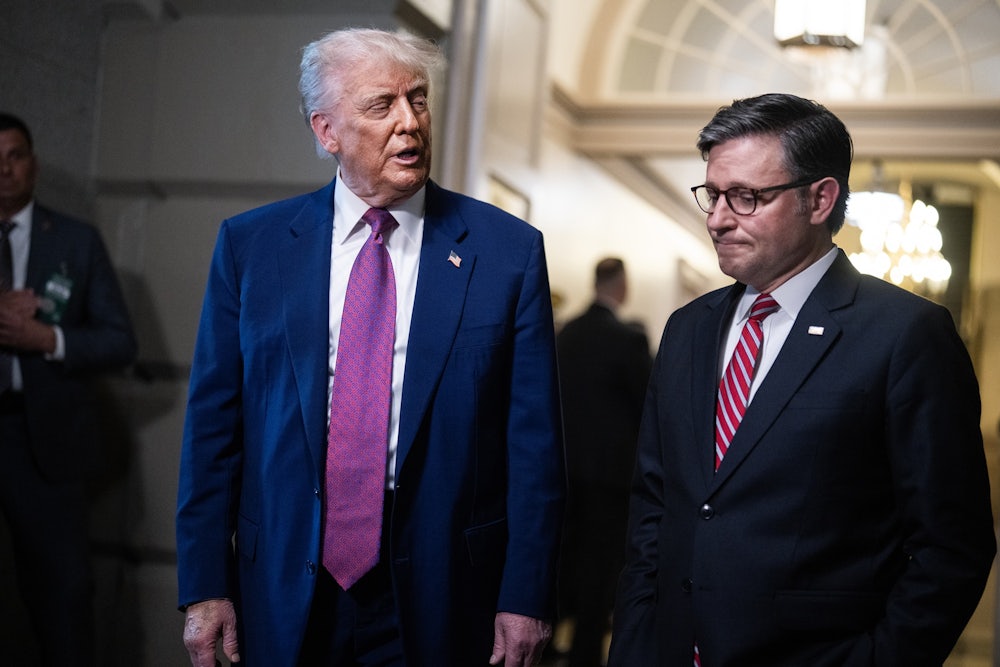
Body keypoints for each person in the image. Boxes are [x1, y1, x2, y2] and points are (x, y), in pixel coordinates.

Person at [176, 28, 565, 667]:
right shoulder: (252, 248)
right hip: (280, 581)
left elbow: (535, 450)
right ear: (326, 131)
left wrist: (526, 596)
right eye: (381, 106)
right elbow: (212, 435)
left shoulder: (507, 252)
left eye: (419, 99)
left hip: (442, 590)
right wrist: (204, 588)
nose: (410, 123)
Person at [607, 93, 995, 667]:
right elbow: (654, 510)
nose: (717, 217)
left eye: (747, 197)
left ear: (819, 199)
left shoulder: (907, 335)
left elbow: (951, 548)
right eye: (713, 195)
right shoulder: (688, 328)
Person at [0, 112, 137, 666]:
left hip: (44, 442)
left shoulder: (76, 242)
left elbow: (119, 342)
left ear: (32, 164)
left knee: (64, 592)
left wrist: (46, 336)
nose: (4, 170)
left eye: (14, 155)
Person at [555, 257, 651, 666]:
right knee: (600, 569)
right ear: (621, 286)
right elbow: (647, 410)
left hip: (562, 470)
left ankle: (546, 645)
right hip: (610, 478)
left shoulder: (565, 334)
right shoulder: (627, 340)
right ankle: (585, 654)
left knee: (563, 559)